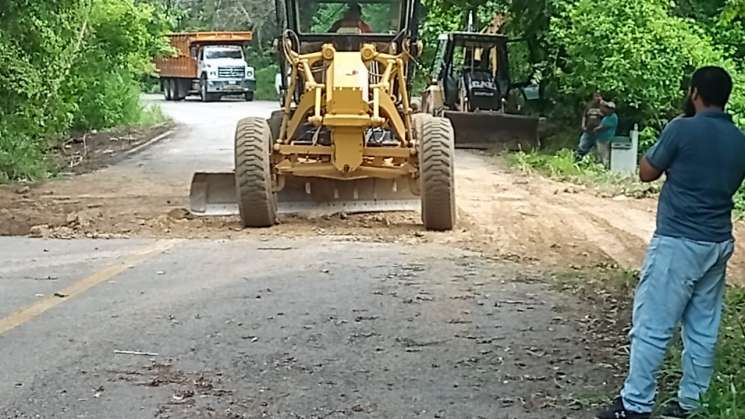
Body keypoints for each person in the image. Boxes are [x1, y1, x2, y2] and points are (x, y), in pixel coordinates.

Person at [595, 66, 745, 419]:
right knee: (702, 328)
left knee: (652, 325)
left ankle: (635, 405)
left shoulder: (682, 128)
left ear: (695, 92)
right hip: (718, 241)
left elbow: (647, 172)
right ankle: (692, 404)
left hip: (678, 240)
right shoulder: (740, 139)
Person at [594, 101, 619, 167]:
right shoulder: (607, 116)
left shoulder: (613, 117)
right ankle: (600, 166)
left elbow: (603, 127)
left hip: (606, 138)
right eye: (607, 108)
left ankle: (605, 166)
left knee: (604, 154)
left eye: (609, 108)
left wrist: (595, 129)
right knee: (600, 153)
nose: (608, 109)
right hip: (601, 138)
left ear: (613, 110)